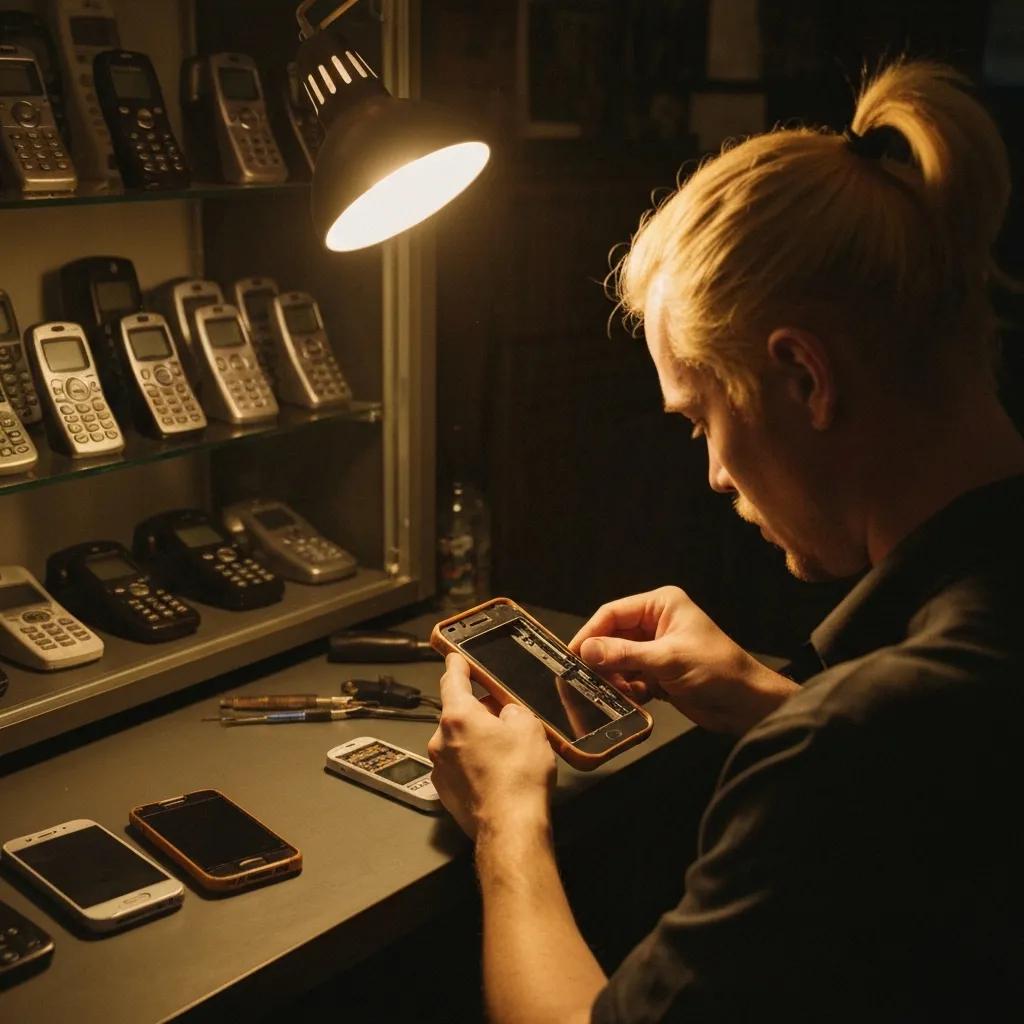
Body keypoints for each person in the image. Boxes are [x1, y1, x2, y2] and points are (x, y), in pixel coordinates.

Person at [427, 58, 1024, 1023]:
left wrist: (505, 825)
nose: (713, 473)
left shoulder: (843, 754)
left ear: (802, 378)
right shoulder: (945, 681)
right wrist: (771, 701)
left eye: (702, 417)